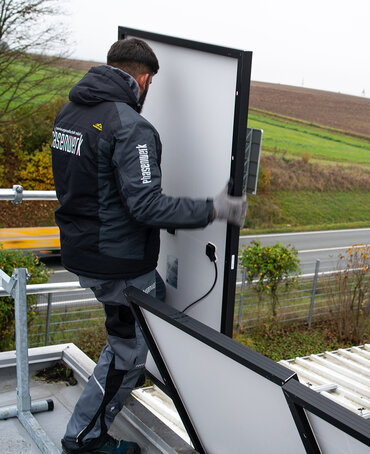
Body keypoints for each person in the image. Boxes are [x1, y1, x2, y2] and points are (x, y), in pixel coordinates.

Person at [51, 38, 246, 454]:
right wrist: (216, 209)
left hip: (84, 249)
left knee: (146, 308)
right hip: (117, 261)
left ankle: (128, 366)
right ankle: (84, 439)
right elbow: (146, 205)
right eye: (151, 84)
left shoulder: (72, 112)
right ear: (143, 80)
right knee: (128, 353)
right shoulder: (130, 126)